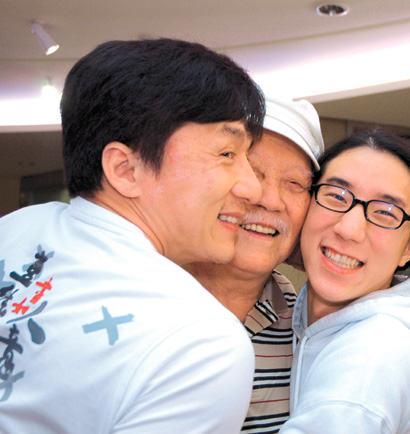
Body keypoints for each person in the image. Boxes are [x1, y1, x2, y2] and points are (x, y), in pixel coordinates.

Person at [0, 38, 266, 433]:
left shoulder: (17, 227)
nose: (253, 188)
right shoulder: (200, 346)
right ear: (125, 169)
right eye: (226, 153)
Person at [280, 128, 410, 433]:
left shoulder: (372, 356)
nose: (349, 229)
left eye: (385, 212)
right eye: (336, 195)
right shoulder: (290, 311)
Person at [185, 93, 324, 433]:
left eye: (294, 183)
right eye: (251, 169)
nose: (270, 200)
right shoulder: (140, 293)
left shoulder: (306, 325)